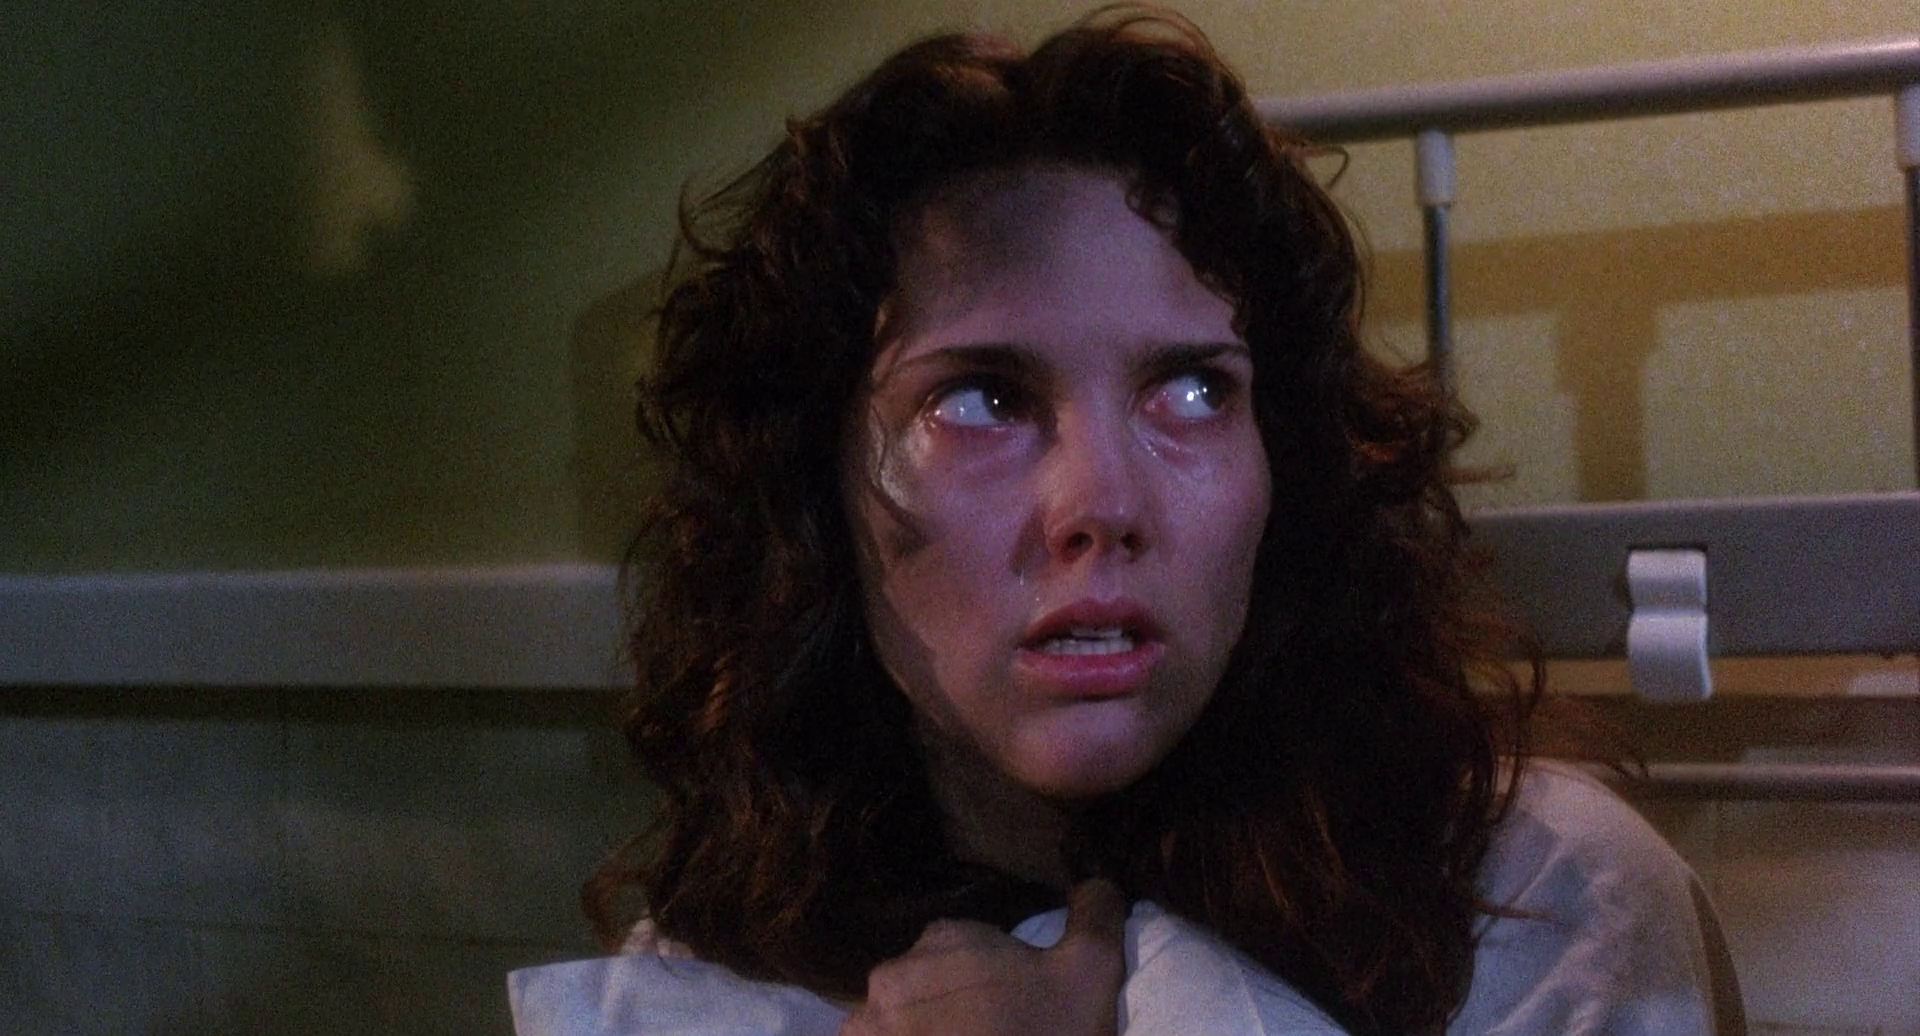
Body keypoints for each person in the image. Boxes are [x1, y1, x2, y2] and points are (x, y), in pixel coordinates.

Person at [510, 8, 1744, 1035]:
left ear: (1286, 466)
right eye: (983, 399)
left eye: (1194, 392)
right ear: (813, 493)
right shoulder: (708, 976)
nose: (1102, 505)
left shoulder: (1542, 908)